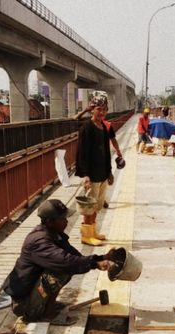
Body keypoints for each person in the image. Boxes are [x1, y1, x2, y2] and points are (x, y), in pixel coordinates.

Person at [3, 199, 113, 323]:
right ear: (50, 221)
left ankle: (46, 304)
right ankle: (47, 314)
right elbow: (66, 261)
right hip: (24, 305)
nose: (66, 221)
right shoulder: (39, 242)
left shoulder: (55, 234)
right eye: (62, 219)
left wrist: (102, 258)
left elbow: (75, 256)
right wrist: (94, 264)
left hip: (31, 293)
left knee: (71, 264)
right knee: (61, 270)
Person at [75, 94, 123, 245]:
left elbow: (107, 152)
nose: (101, 112)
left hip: (102, 174)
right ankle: (86, 236)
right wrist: (85, 175)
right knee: (89, 207)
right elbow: (81, 153)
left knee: (96, 206)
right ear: (92, 110)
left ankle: (93, 232)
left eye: (104, 110)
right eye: (98, 109)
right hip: (92, 175)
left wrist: (109, 172)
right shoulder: (87, 128)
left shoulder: (103, 127)